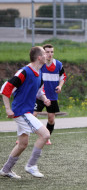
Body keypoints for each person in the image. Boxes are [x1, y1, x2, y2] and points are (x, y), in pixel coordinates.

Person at [0, 46, 51, 179]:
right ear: (39, 57)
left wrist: (45, 99)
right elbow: (5, 88)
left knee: (23, 144)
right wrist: (8, 109)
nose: (48, 56)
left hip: (26, 111)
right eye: (45, 54)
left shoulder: (39, 73)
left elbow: (39, 92)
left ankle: (6, 170)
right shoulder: (24, 72)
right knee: (45, 134)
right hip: (21, 111)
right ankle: (31, 165)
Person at [33, 44, 67, 145]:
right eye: (47, 52)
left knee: (51, 119)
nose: (50, 54)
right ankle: (22, 137)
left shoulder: (58, 64)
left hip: (52, 96)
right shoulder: (39, 64)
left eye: (51, 52)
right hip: (40, 96)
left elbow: (63, 77)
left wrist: (60, 86)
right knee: (32, 116)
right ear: (42, 53)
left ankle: (47, 137)